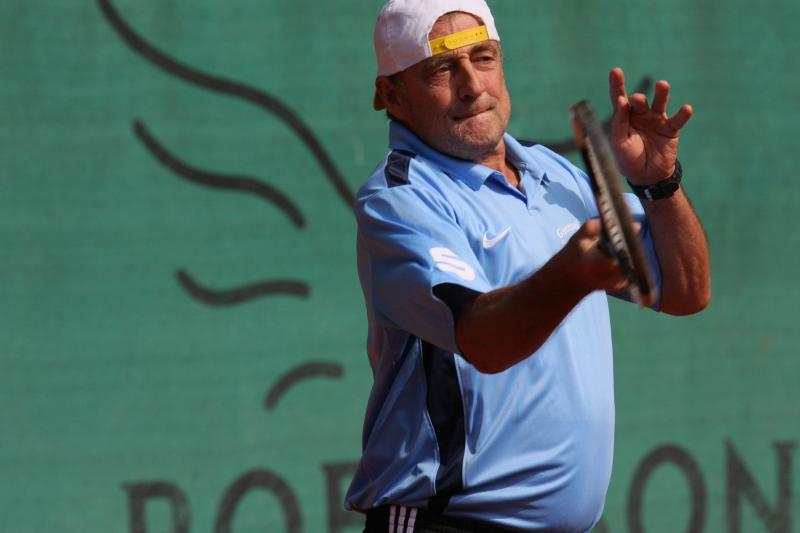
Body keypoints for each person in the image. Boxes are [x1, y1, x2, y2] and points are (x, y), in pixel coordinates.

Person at [345, 0, 711, 531]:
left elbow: (685, 291)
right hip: (445, 522)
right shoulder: (400, 199)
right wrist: (572, 276)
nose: (473, 85)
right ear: (393, 96)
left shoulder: (552, 172)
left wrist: (659, 183)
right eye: (442, 69)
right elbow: (483, 341)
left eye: (484, 57)